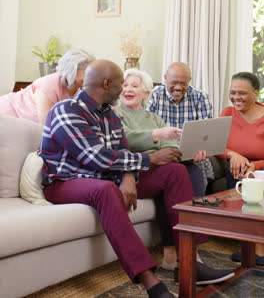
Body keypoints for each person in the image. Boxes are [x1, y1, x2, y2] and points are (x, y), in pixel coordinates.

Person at [39, 59, 234, 297]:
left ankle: (189, 262)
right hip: (65, 182)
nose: (123, 90)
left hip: (108, 177)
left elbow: (123, 150)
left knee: (175, 171)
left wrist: (129, 177)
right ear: (106, 83)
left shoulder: (109, 114)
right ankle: (150, 282)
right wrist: (149, 160)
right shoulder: (66, 110)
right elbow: (96, 157)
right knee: (105, 189)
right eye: (121, 84)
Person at [115, 68, 207, 271]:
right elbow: (124, 138)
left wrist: (172, 151)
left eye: (134, 86)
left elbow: (172, 145)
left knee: (188, 171)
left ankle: (173, 255)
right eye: (125, 85)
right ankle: (190, 253)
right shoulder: (115, 113)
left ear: (146, 93)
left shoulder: (153, 117)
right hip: (136, 170)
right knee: (175, 172)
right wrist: (156, 138)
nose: (128, 89)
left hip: (158, 169)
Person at [219, 71, 264, 266]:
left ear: (256, 93)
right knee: (241, 178)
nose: (236, 97)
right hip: (237, 170)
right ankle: (249, 245)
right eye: (233, 92)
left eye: (242, 93)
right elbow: (214, 143)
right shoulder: (228, 113)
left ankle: (258, 247)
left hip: (261, 168)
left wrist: (255, 165)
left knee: (256, 182)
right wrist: (232, 154)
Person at [146, 62, 214, 184]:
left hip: (192, 156)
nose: (178, 87)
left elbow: (206, 134)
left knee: (195, 174)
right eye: (174, 82)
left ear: (189, 80)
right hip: (162, 153)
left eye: (183, 83)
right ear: (165, 78)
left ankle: (194, 203)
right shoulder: (153, 95)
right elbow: (146, 131)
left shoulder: (200, 97)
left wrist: (203, 149)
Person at [0, 48, 95, 124]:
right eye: (88, 72)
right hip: (8, 113)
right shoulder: (49, 84)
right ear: (72, 70)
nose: (92, 77)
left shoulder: (81, 87)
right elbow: (46, 126)